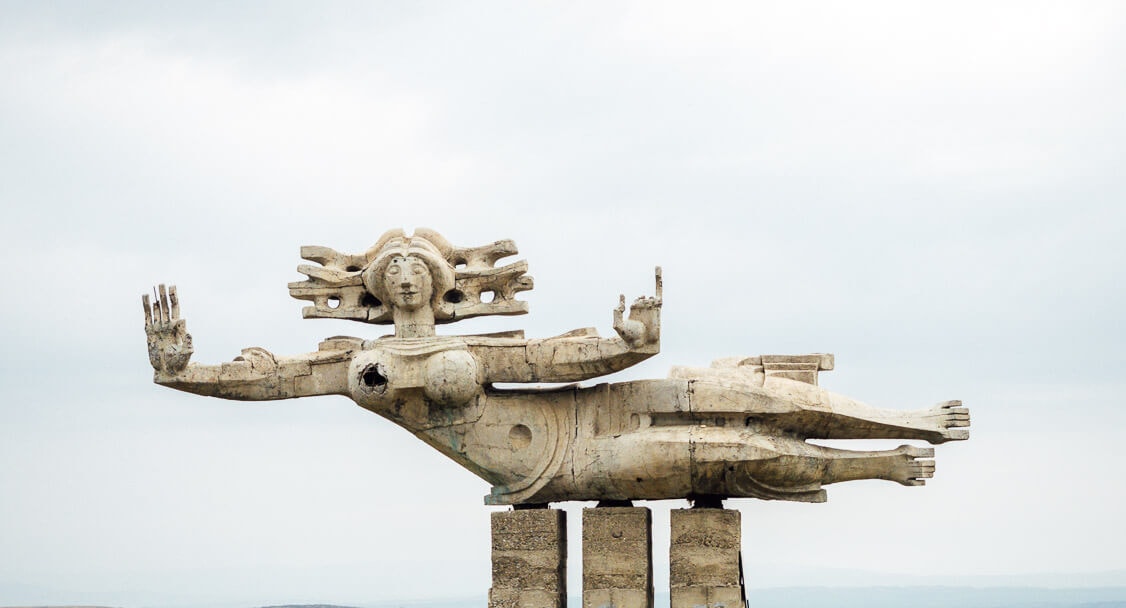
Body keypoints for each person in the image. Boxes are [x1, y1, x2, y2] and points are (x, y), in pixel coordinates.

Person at [144, 229, 969, 505]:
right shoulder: (361, 362)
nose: (403, 275)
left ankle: (904, 419)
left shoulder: (473, 345)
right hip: (559, 464)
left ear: (439, 281)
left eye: (416, 266)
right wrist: (182, 370)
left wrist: (632, 344)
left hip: (595, 406)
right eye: (390, 266)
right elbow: (275, 379)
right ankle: (888, 466)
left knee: (729, 390)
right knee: (730, 451)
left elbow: (550, 362)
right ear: (372, 284)